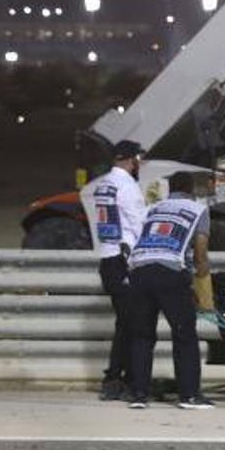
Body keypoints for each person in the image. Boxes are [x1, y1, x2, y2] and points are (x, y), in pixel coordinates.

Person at [125, 170, 216, 410]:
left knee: (142, 337)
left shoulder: (155, 208)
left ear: (170, 189)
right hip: (170, 272)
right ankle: (189, 396)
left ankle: (139, 395)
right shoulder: (198, 210)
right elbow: (201, 253)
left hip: (139, 271)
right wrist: (203, 287)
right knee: (184, 334)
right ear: (192, 189)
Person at [87, 140, 147, 401]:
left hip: (108, 259)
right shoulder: (128, 186)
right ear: (130, 159)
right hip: (125, 261)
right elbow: (139, 223)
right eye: (138, 158)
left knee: (125, 323)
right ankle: (123, 381)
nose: (140, 163)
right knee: (134, 324)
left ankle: (117, 379)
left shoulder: (104, 184)